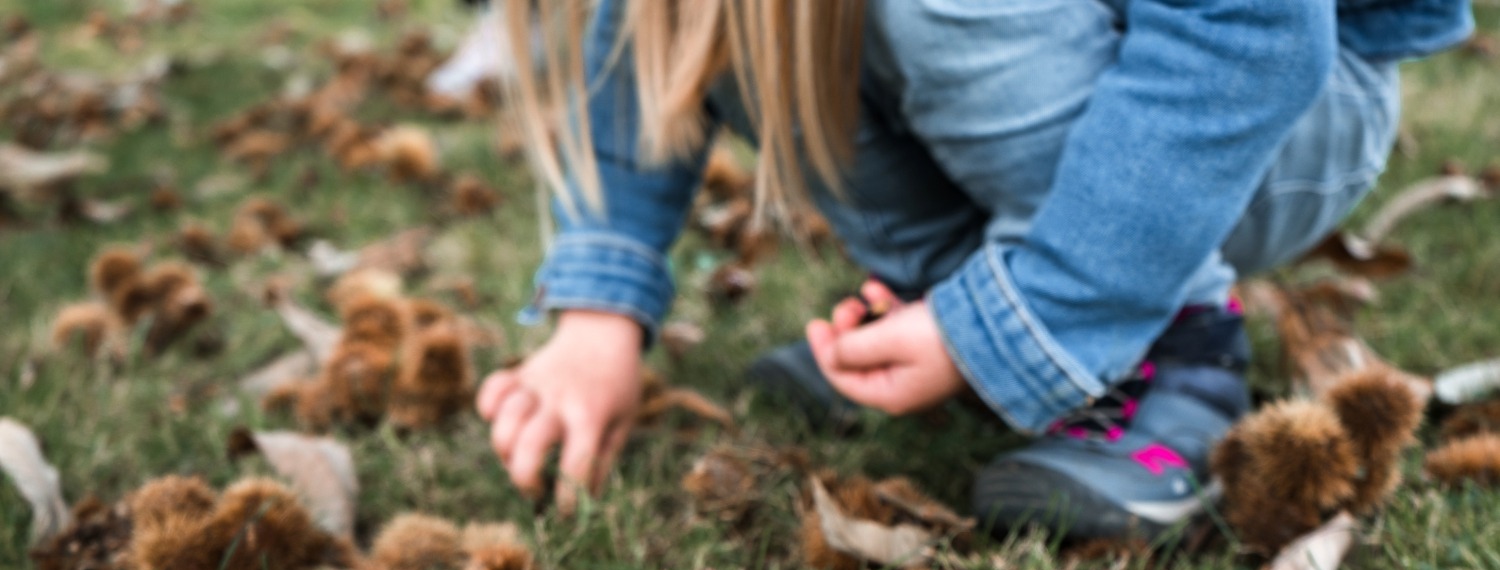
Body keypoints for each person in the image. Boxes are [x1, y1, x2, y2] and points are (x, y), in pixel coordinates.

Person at [475, 0, 1472, 539]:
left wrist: (1027, 316)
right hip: (1127, 94)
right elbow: (645, 26)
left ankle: (1167, 338)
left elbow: (1253, 35)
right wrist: (597, 311)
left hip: (1267, 114)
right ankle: (985, 299)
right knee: (736, 17)